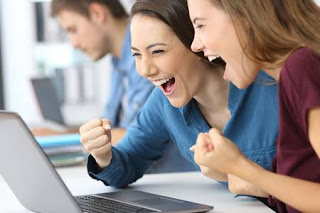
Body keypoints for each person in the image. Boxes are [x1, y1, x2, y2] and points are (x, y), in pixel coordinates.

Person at [79, 0, 278, 190]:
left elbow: (305, 185)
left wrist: (231, 174)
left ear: (197, 43)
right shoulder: (163, 103)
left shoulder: (271, 85)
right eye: (137, 55)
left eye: (157, 51)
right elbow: (128, 163)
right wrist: (103, 157)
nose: (144, 70)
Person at [188, 0, 320, 212]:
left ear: (246, 16)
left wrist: (239, 166)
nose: (195, 44)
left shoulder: (301, 68)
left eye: (200, 25)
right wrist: (233, 172)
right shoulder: (294, 72)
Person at [50, 0, 154, 142]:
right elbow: (107, 128)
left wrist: (59, 139)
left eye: (73, 30)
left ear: (97, 13)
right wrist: (59, 135)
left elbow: (138, 136)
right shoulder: (118, 62)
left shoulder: (145, 55)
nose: (73, 44)